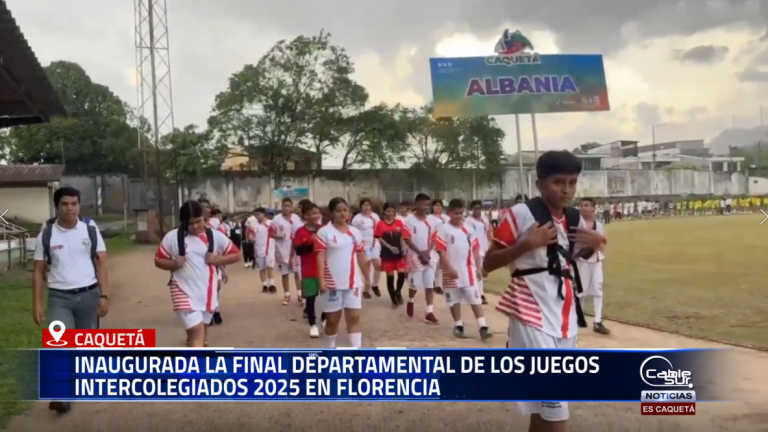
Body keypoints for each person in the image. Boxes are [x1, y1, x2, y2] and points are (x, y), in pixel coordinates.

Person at [483, 151, 604, 432]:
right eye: (558, 182)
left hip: (565, 315)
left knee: (543, 408)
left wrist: (593, 245)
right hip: (530, 309)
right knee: (556, 404)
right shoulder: (520, 214)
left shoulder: (573, 216)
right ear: (540, 185)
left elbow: (568, 257)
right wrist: (525, 245)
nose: (566, 190)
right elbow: (488, 263)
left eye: (572, 182)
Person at [33, 187, 109, 415]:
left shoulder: (90, 229)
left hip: (89, 294)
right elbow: (37, 271)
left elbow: (101, 263)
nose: (70, 208)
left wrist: (105, 295)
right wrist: (37, 303)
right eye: (65, 204)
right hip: (59, 298)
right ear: (57, 206)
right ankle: (61, 395)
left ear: (79, 205)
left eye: (74, 203)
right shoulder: (46, 233)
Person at [315, 197, 369, 348]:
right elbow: (320, 256)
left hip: (353, 283)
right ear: (332, 213)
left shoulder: (355, 233)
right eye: (338, 211)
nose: (342, 213)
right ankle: (330, 348)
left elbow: (360, 255)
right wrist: (321, 280)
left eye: (345, 210)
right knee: (332, 320)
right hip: (332, 283)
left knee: (354, 318)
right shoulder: (324, 232)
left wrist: (367, 277)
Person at [436, 199, 491, 340]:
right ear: (449, 213)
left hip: (468, 271)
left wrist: (478, 268)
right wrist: (448, 268)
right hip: (451, 272)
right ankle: (458, 325)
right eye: (456, 213)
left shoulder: (468, 229)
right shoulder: (444, 229)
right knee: (454, 300)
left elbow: (476, 249)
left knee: (475, 298)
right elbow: (441, 251)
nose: (459, 216)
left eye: (461, 213)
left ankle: (482, 327)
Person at [401, 193, 440, 324]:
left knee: (430, 284)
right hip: (414, 257)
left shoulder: (432, 221)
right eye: (423, 204)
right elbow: (407, 239)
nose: (425, 207)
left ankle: (429, 312)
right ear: (416, 204)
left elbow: (434, 238)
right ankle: (411, 300)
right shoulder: (409, 221)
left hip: (429, 257)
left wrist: (428, 252)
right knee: (415, 285)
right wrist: (419, 253)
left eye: (427, 204)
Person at [575, 198, 610, 335]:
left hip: (595, 260)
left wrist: (597, 245)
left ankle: (597, 321)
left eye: (586, 205)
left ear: (594, 209)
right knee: (581, 292)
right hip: (581, 261)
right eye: (581, 206)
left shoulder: (599, 226)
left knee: (598, 290)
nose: (583, 208)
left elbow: (603, 245)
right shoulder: (577, 225)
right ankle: (578, 319)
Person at [293, 202, 326, 338]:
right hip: (309, 269)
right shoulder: (300, 231)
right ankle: (313, 325)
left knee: (327, 298)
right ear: (306, 216)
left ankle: (324, 320)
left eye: (318, 212)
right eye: (313, 213)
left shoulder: (324, 229)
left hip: (324, 269)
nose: (317, 215)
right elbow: (299, 250)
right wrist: (311, 242)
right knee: (311, 299)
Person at [271, 198, 304, 305]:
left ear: (292, 207)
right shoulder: (276, 219)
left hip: (295, 249)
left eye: (288, 206)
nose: (286, 208)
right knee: (284, 273)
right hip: (281, 249)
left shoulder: (297, 218)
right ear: (281, 207)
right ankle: (287, 295)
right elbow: (270, 233)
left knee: (297, 273)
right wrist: (279, 236)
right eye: (284, 205)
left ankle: (299, 295)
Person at [200, 200, 227, 325]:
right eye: (203, 207)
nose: (206, 209)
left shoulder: (215, 224)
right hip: (201, 262)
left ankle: (215, 309)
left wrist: (221, 264)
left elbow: (221, 244)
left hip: (215, 259)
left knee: (217, 286)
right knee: (205, 287)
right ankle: (208, 313)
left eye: (207, 207)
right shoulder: (193, 226)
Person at [374, 202, 407, 308]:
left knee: (402, 273)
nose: (390, 213)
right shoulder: (380, 224)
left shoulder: (399, 222)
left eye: (392, 211)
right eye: (388, 211)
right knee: (390, 276)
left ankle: (398, 291)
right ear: (384, 211)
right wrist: (390, 247)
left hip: (399, 251)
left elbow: (402, 236)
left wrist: (403, 246)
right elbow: (379, 237)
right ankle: (393, 298)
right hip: (388, 252)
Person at [351, 198, 382, 299]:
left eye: (368, 205)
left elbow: (379, 229)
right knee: (367, 268)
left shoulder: (375, 217)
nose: (366, 207)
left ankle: (375, 285)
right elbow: (353, 232)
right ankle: (366, 289)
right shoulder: (357, 219)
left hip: (374, 243)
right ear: (361, 207)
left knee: (378, 265)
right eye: (364, 205)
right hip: (363, 245)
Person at [464, 199, 492, 305]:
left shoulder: (484, 219)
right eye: (475, 208)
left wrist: (491, 244)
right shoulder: (468, 221)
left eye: (479, 208)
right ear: (472, 209)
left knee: (480, 272)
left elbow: (489, 232)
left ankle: (474, 293)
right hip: (474, 250)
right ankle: (480, 295)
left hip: (484, 249)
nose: (477, 210)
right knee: (477, 272)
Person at [427, 199, 449, 295]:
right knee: (433, 263)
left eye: (440, 205)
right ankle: (430, 283)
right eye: (436, 205)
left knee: (441, 264)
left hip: (443, 243)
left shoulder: (446, 218)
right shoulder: (429, 218)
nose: (438, 207)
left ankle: (438, 285)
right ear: (432, 207)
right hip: (432, 243)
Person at [253, 207, 276, 293]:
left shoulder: (270, 223)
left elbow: (275, 233)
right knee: (261, 269)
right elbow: (253, 237)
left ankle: (272, 285)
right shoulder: (255, 226)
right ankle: (264, 285)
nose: (257, 216)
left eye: (258, 214)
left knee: (269, 267)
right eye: (256, 215)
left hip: (269, 248)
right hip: (259, 249)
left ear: (264, 214)